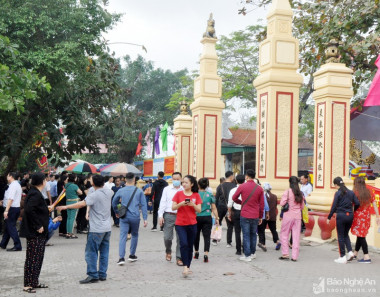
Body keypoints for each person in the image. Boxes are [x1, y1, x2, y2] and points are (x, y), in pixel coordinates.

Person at [57, 175, 114, 284]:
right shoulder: (109, 192)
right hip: (107, 228)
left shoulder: (95, 195)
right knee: (104, 252)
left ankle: (93, 275)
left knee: (91, 252)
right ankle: (102, 274)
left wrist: (65, 207)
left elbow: (81, 204)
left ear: (93, 183)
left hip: (96, 229)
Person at [20, 172, 50, 293]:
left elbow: (35, 209)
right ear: (42, 181)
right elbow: (29, 210)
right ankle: (27, 284)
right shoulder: (35, 194)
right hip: (35, 232)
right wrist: (38, 226)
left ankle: (34, 281)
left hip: (38, 232)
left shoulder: (35, 193)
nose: (46, 181)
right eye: (45, 180)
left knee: (38, 257)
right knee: (32, 258)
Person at [112, 172, 148, 265]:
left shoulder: (121, 190)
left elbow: (113, 202)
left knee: (123, 236)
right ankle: (132, 255)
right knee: (135, 235)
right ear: (134, 179)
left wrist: (117, 212)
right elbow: (143, 205)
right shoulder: (139, 190)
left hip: (124, 216)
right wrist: (145, 218)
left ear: (125, 180)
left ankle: (121, 258)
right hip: (135, 216)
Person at [172, 175, 202, 277]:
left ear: (192, 184)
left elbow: (199, 210)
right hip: (180, 224)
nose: (184, 184)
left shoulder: (196, 195)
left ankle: (188, 266)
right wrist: (181, 204)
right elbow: (173, 207)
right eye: (183, 182)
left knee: (190, 246)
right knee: (183, 244)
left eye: (186, 182)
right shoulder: (178, 194)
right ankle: (185, 266)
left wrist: (192, 205)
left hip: (192, 224)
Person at [232, 169, 264, 262]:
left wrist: (241, 202)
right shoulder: (259, 188)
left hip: (245, 213)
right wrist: (261, 216)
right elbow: (261, 204)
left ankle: (247, 255)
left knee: (246, 235)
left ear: (246, 176)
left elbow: (234, 198)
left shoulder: (242, 186)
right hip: (255, 215)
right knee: (253, 234)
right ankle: (253, 253)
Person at [327, 177, 360, 264]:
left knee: (340, 236)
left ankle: (342, 256)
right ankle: (350, 252)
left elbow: (334, 206)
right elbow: (357, 203)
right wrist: (353, 210)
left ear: (336, 185)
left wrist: (329, 217)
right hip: (350, 216)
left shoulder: (338, 193)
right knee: (345, 234)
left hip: (341, 216)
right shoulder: (351, 192)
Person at [351, 176, 380, 263]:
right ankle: (355, 254)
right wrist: (378, 217)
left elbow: (352, 206)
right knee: (360, 235)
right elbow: (375, 205)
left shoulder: (355, 193)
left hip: (358, 216)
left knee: (361, 236)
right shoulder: (370, 192)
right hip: (366, 217)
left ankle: (366, 256)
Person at [158, 172, 183, 266]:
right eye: (174, 179)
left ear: (181, 179)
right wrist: (160, 216)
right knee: (167, 237)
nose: (176, 181)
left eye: (178, 179)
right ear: (171, 179)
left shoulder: (184, 189)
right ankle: (168, 251)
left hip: (181, 215)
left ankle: (179, 257)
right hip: (169, 215)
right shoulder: (167, 189)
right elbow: (163, 202)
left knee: (180, 238)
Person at [279, 176, 304, 262]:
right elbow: (302, 207)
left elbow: (282, 203)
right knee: (296, 236)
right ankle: (294, 256)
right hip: (297, 217)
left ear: (289, 183)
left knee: (284, 234)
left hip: (288, 216)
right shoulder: (300, 193)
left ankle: (285, 254)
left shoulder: (288, 192)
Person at [194, 177, 219, 263]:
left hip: (196, 217)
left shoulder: (195, 194)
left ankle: (196, 252)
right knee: (207, 236)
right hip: (207, 217)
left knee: (196, 235)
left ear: (198, 185)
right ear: (207, 185)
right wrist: (217, 218)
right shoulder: (210, 195)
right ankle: (206, 254)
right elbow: (214, 208)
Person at [0, 172, 23, 251]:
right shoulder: (15, 185)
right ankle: (3, 244)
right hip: (14, 207)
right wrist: (4, 201)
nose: (6, 177)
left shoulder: (13, 185)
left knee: (11, 227)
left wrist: (6, 210)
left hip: (11, 208)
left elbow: (11, 199)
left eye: (8, 175)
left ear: (11, 176)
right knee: (8, 227)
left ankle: (17, 245)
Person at [213, 171, 236, 247]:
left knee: (218, 222)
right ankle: (228, 242)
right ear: (231, 176)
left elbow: (216, 198)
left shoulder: (220, 186)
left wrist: (215, 208)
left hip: (221, 206)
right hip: (230, 207)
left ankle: (215, 240)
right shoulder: (234, 186)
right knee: (230, 225)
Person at [258, 183, 281, 251]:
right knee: (273, 230)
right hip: (273, 215)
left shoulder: (263, 196)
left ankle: (263, 244)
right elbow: (276, 205)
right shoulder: (274, 196)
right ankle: (277, 241)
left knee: (261, 230)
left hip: (264, 215)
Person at [227, 174, 245, 255]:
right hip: (245, 211)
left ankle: (238, 250)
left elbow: (230, 204)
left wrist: (229, 214)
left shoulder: (233, 190)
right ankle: (245, 248)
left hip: (237, 212)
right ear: (244, 180)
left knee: (237, 231)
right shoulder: (247, 189)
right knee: (245, 231)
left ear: (236, 181)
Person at [64, 173, 83, 239]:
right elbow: (80, 192)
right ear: (74, 178)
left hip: (68, 202)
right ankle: (70, 233)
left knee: (69, 218)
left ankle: (68, 232)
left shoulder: (66, 185)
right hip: (74, 202)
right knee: (73, 218)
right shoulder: (74, 186)